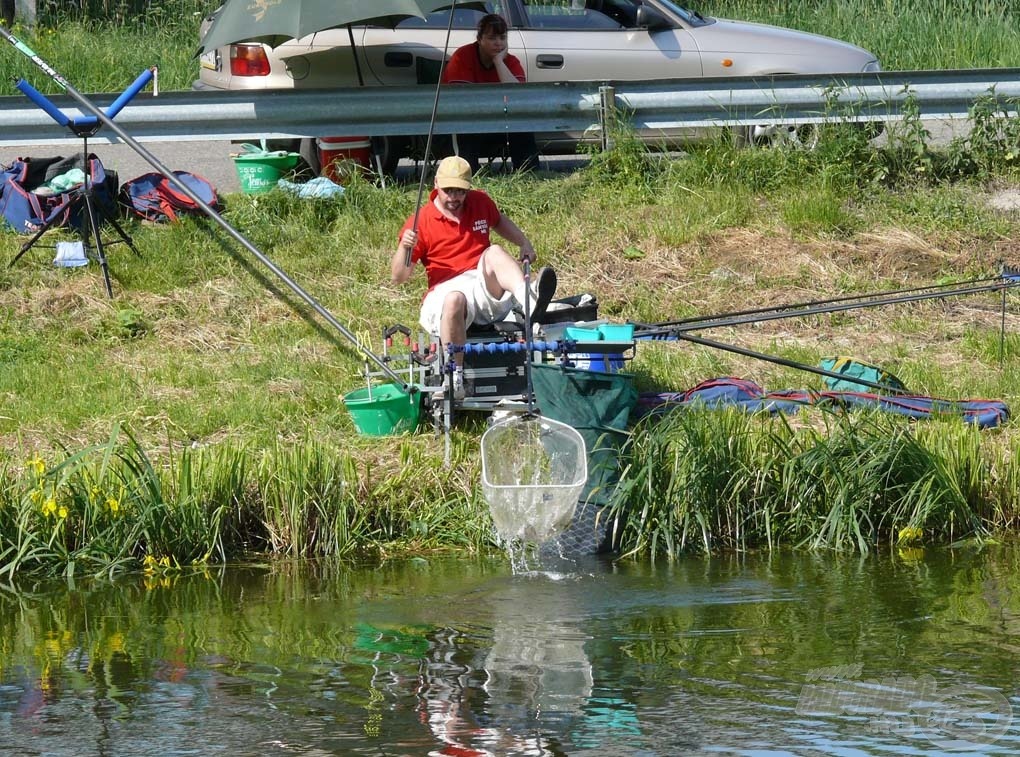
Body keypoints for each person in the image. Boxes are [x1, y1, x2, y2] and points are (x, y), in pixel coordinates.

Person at [391, 155, 556, 400]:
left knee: (495, 252)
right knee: (455, 299)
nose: (454, 198)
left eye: (460, 191)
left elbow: (499, 221)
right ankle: (455, 376)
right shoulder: (421, 220)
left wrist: (524, 242)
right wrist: (405, 247)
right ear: (436, 184)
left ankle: (528, 300)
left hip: (480, 285)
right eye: (448, 191)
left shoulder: (480, 202)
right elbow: (399, 277)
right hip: (444, 291)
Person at [441, 13, 540, 173]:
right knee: (466, 127)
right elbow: (461, 100)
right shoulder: (462, 57)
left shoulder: (511, 61)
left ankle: (529, 175)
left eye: (502, 38)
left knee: (522, 125)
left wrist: (498, 62)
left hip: (499, 123)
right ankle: (467, 177)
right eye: (492, 38)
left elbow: (518, 97)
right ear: (480, 39)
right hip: (464, 123)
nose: (498, 43)